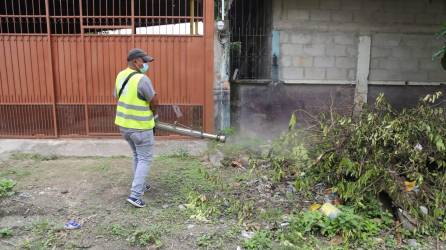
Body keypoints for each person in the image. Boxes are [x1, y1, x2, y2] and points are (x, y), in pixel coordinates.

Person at [114, 48, 158, 208]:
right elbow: (154, 100)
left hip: (124, 125)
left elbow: (117, 96)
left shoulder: (120, 75)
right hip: (140, 127)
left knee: (137, 156)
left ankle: (141, 184)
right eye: (144, 61)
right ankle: (135, 195)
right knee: (144, 159)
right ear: (135, 61)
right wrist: (155, 115)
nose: (146, 64)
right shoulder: (142, 79)